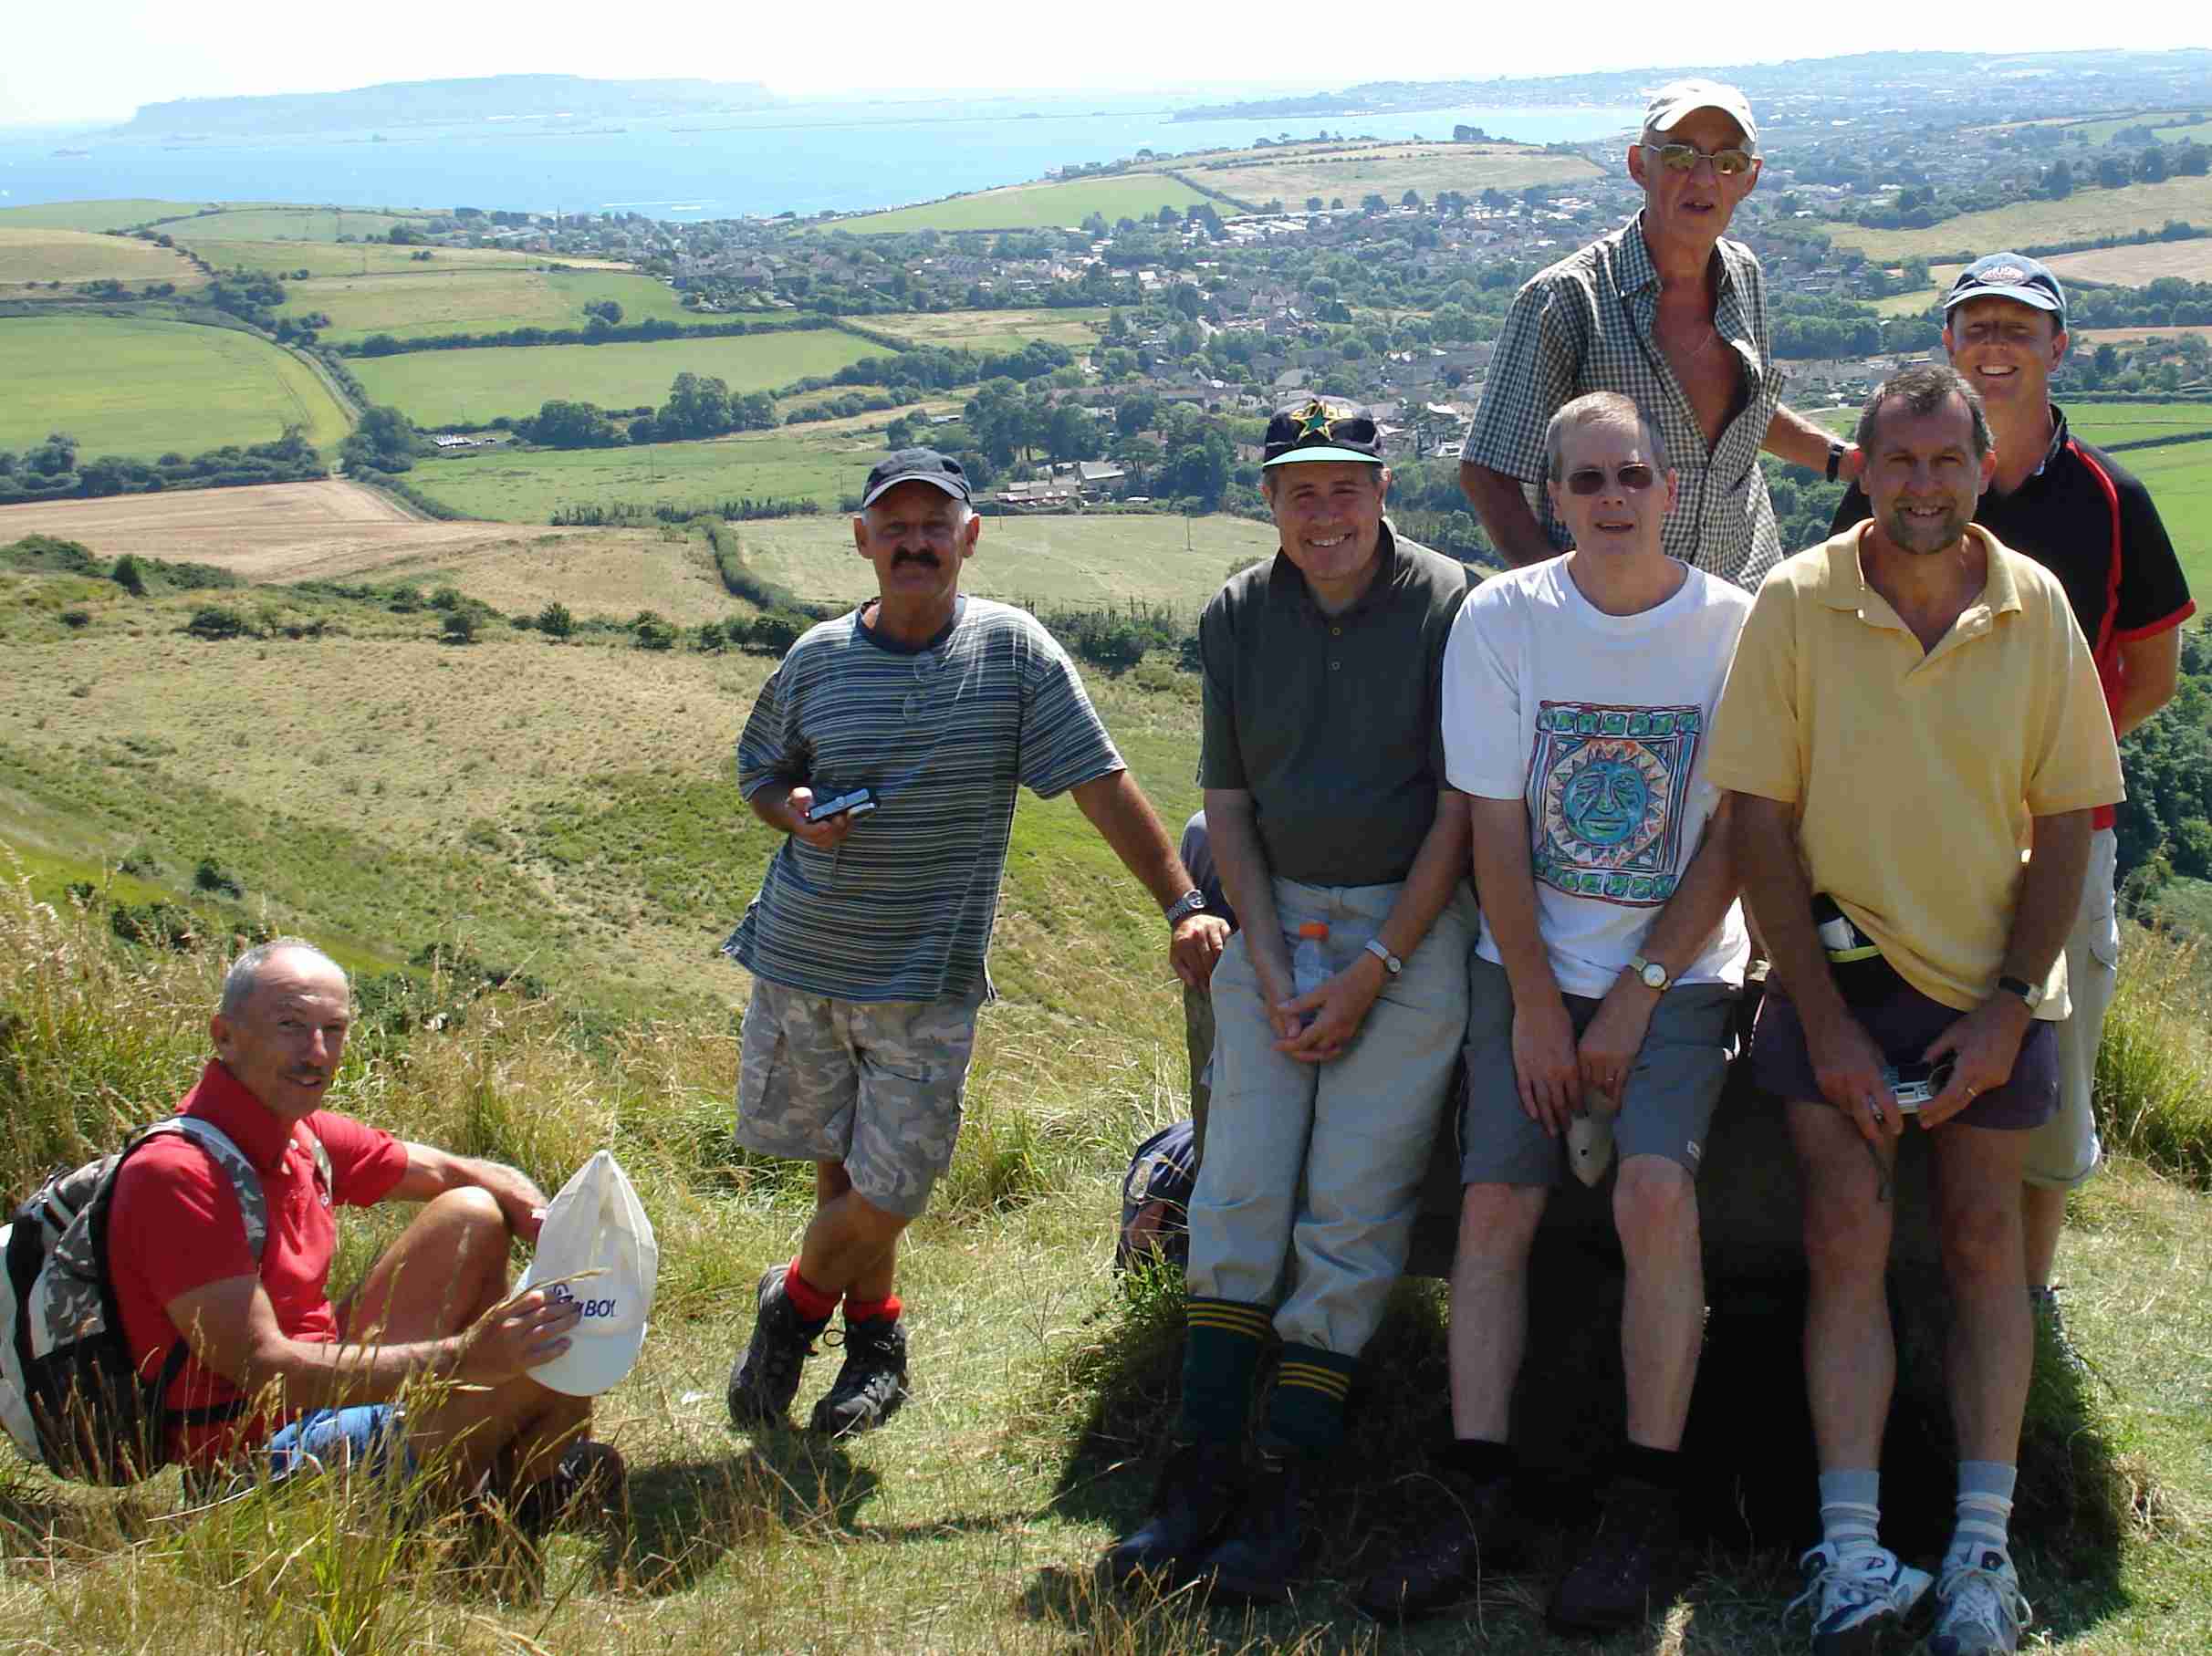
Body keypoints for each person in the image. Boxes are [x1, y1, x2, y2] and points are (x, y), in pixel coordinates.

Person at [1708, 366, 2123, 1655]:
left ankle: (1983, 1557)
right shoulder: (1797, 601)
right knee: (1846, 1234)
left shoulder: (2034, 605)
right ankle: (1848, 1549)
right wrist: (1821, 1019)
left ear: (1980, 470)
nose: (1927, 486)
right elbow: (1756, 819)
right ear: (1865, 469)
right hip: (1841, 973)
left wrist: (2007, 1006)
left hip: (1994, 978)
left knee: (1987, 1241)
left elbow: (2065, 820)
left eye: (1950, 461)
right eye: (1903, 462)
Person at [722, 447, 1226, 1439]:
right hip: (806, 956)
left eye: (935, 524)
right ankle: (877, 1347)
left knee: (893, 1181)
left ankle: (792, 1310)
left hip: (927, 974)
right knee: (843, 1172)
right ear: (863, 541)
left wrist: (1180, 903)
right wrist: (798, 812)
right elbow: (759, 774)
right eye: (895, 526)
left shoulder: (1014, 654)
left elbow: (1099, 782)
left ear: (970, 537)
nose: (916, 542)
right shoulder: (818, 657)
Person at [1358, 392, 1750, 1630]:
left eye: (1634, 473)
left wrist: (1634, 997)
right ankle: (1476, 1480)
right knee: (1494, 1200)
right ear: (1554, 499)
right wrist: (1535, 998)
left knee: (1653, 1188)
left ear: (1670, 489)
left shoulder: (1733, 629)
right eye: (1588, 481)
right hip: (1527, 956)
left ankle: (1645, 1496)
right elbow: (1496, 824)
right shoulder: (1503, 621)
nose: (1615, 496)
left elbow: (1738, 831)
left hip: (1677, 968)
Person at [1105, 399, 1476, 1602]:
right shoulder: (1235, 614)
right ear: (1269, 500)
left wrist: (1375, 970)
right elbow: (1232, 808)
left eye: (1346, 485)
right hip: (1278, 927)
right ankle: (1195, 1476)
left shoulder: (1450, 602)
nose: (1325, 512)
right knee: (1242, 1192)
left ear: (1383, 486)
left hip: (1409, 930)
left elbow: (1467, 813)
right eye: (1299, 489)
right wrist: (1269, 968)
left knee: (1354, 1209)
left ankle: (1285, 1494)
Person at [1828, 254, 2195, 1365]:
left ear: (2058, 349)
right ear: (1950, 346)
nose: (1997, 345)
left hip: (2059, 839)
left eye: (2020, 329)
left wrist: (2047, 776)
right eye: (1976, 325)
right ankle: (1898, 1287)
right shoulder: (1898, 481)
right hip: (1901, 836)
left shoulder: (2112, 498)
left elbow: (2155, 673)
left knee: (2052, 1066)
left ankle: (2026, 1299)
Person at [110, 938, 619, 1524]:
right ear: (223, 1036)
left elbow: (471, 1173)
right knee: (544, 1355)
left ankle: (515, 1482)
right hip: (251, 1462)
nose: (317, 1052)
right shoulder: (178, 1174)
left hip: (323, 1395)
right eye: (290, 1026)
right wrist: (466, 1359)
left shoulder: (301, 1134)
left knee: (474, 1212)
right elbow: (262, 1367)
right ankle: (515, 1491)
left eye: (334, 1029)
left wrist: (551, 1232)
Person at [1460, 78, 1858, 591]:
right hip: (1619, 609)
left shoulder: (1745, 276)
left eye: (1727, 162)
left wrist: (1843, 460)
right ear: (1637, 166)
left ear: (1749, 179)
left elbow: (1740, 416)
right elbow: (1487, 474)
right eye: (1679, 157)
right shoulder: (1567, 299)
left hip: (1743, 595)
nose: (1704, 179)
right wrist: (1565, 601)